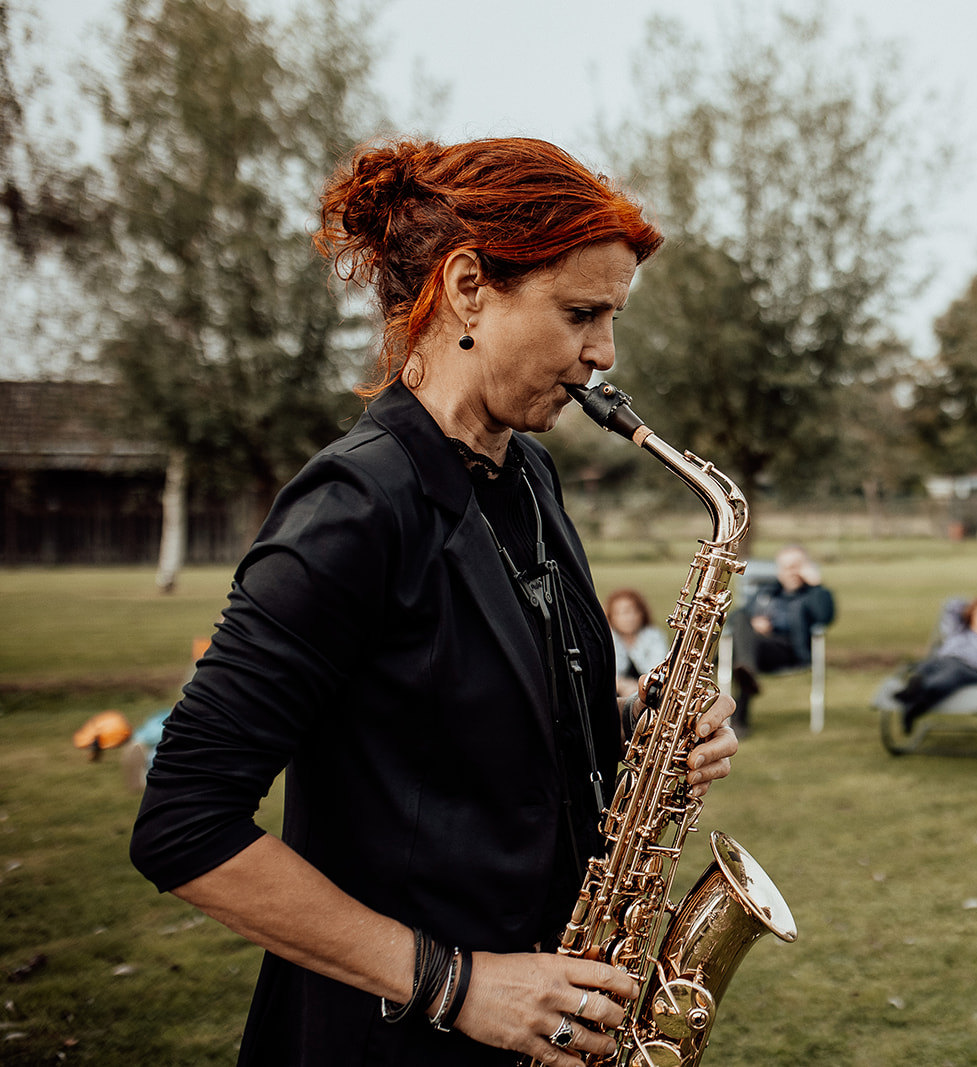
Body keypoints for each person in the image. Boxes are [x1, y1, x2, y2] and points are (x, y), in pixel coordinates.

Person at [128, 137, 741, 1067]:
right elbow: (183, 822)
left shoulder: (527, 473)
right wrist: (458, 984)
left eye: (610, 318)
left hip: (547, 1015)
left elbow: (468, 738)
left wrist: (641, 733)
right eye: (581, 313)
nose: (603, 355)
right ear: (466, 289)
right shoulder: (352, 508)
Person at [726, 544, 835, 735]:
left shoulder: (812, 595)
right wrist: (755, 622)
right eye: (786, 567)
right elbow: (735, 618)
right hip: (757, 646)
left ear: (806, 567)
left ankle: (738, 719)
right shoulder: (766, 593)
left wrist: (816, 585)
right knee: (743, 622)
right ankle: (746, 675)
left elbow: (824, 616)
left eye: (796, 566)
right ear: (779, 571)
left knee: (741, 655)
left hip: (789, 649)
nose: (791, 572)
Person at [890, 595, 977, 731]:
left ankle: (916, 697)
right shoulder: (959, 631)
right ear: (972, 616)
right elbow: (951, 605)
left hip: (975, 671)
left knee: (951, 674)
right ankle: (917, 691)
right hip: (943, 661)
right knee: (926, 666)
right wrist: (972, 607)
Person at [605, 589, 669, 701]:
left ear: (642, 613)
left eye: (633, 611)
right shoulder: (608, 639)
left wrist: (637, 687)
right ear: (611, 616)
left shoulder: (654, 636)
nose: (629, 618)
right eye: (622, 613)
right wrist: (622, 685)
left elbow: (658, 671)